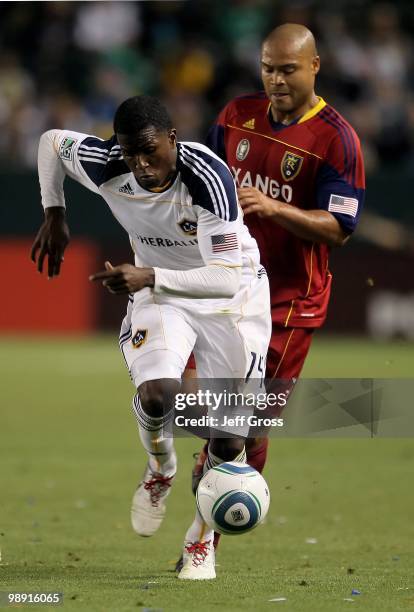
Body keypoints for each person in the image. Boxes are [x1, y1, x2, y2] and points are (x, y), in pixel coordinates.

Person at [31, 95, 271, 580]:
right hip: (162, 294)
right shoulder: (105, 163)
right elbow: (51, 143)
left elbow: (223, 278)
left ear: (172, 140)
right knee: (158, 394)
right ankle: (160, 468)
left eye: (150, 151)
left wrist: (149, 276)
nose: (141, 165)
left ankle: (199, 543)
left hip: (231, 296)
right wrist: (54, 211)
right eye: (130, 153)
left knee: (228, 440)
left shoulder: (208, 177)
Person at [185, 22, 365, 554]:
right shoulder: (235, 115)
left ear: (314, 66)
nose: (276, 80)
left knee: (251, 422)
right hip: (225, 285)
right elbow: (203, 184)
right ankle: (208, 467)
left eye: (288, 69)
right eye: (268, 68)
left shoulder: (336, 138)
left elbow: (340, 229)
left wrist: (276, 207)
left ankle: (206, 536)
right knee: (196, 401)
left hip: (289, 301)